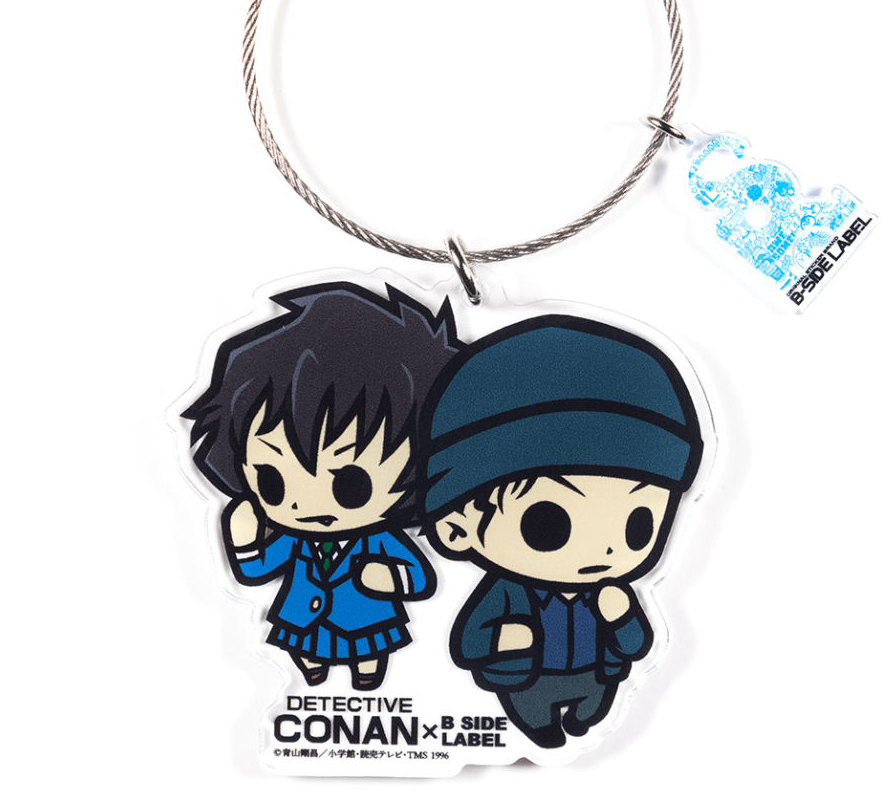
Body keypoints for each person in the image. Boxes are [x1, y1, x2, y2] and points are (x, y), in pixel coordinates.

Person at [422, 315, 705, 747]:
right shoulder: (507, 593)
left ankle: (581, 718)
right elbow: (471, 642)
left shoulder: (609, 592)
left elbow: (635, 644)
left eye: (637, 526)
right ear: (456, 524)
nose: (604, 549)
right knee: (538, 720)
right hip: (529, 680)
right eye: (547, 524)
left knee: (589, 712)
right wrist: (503, 637)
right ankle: (542, 727)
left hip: (596, 677)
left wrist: (621, 616)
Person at [184, 282, 460, 690]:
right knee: (309, 653)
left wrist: (390, 579)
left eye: (350, 485)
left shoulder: (380, 538)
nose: (304, 506)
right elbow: (258, 570)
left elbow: (419, 578)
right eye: (273, 483)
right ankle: (312, 669)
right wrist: (242, 539)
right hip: (303, 620)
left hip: (365, 620)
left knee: (367, 654)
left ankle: (366, 670)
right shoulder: (290, 536)